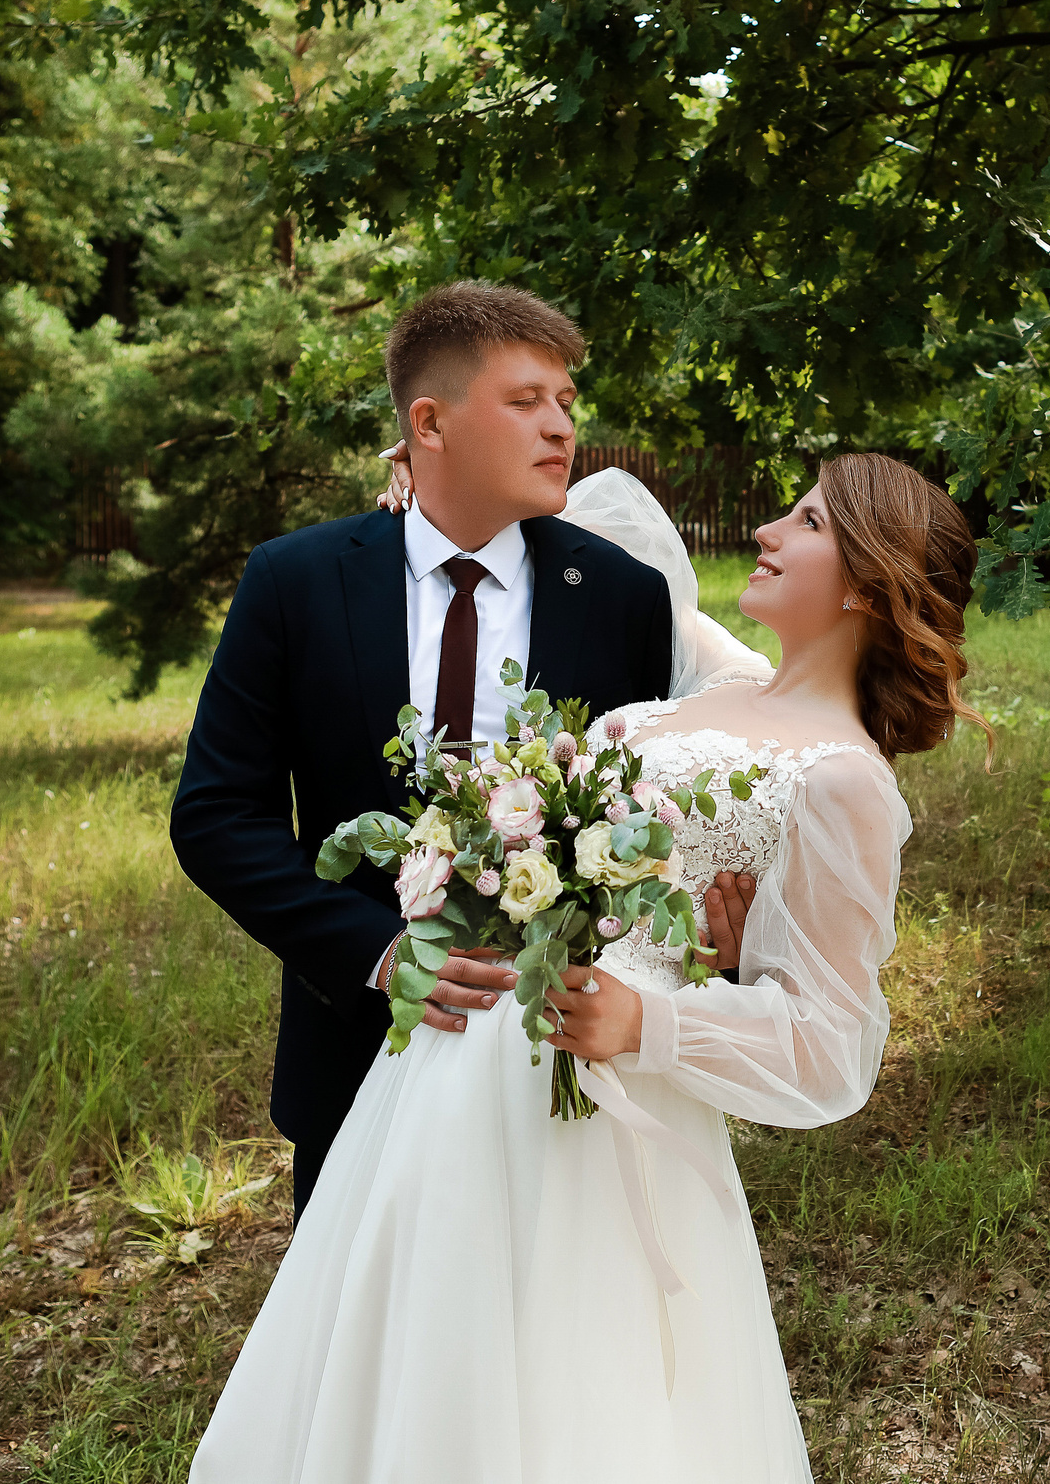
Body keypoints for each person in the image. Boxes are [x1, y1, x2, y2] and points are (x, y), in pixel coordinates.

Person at [188, 450, 986, 1484]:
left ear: (869, 584)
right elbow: (598, 535)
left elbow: (834, 1047)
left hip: (599, 1116)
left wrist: (652, 1018)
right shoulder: (710, 685)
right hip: (445, 1072)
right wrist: (431, 487)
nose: (766, 534)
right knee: (423, 1358)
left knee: (565, 1383)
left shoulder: (842, 782)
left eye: (804, 522)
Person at [168, 281, 756, 1216]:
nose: (561, 427)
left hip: (557, 1049)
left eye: (566, 403)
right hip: (361, 1039)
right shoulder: (297, 580)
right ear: (429, 423)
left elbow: (647, 812)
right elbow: (214, 816)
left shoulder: (620, 596)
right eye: (526, 401)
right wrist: (377, 951)